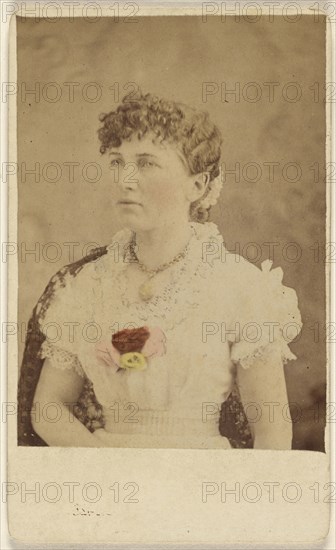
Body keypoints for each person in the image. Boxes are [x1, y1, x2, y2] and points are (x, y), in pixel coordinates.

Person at [18, 91, 302, 449]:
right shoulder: (87, 285)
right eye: (118, 162)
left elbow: (272, 430)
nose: (126, 180)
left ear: (196, 185)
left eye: (147, 163)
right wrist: (110, 467)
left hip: (204, 486)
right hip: (109, 484)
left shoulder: (239, 287)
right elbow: (48, 408)